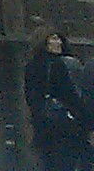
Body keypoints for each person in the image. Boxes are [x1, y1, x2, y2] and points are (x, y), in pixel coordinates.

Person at [26, 27, 94, 171]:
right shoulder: (58, 65)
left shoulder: (31, 66)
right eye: (54, 39)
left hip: (43, 128)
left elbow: (31, 99)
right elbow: (69, 95)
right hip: (63, 128)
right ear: (44, 42)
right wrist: (88, 122)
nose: (59, 43)